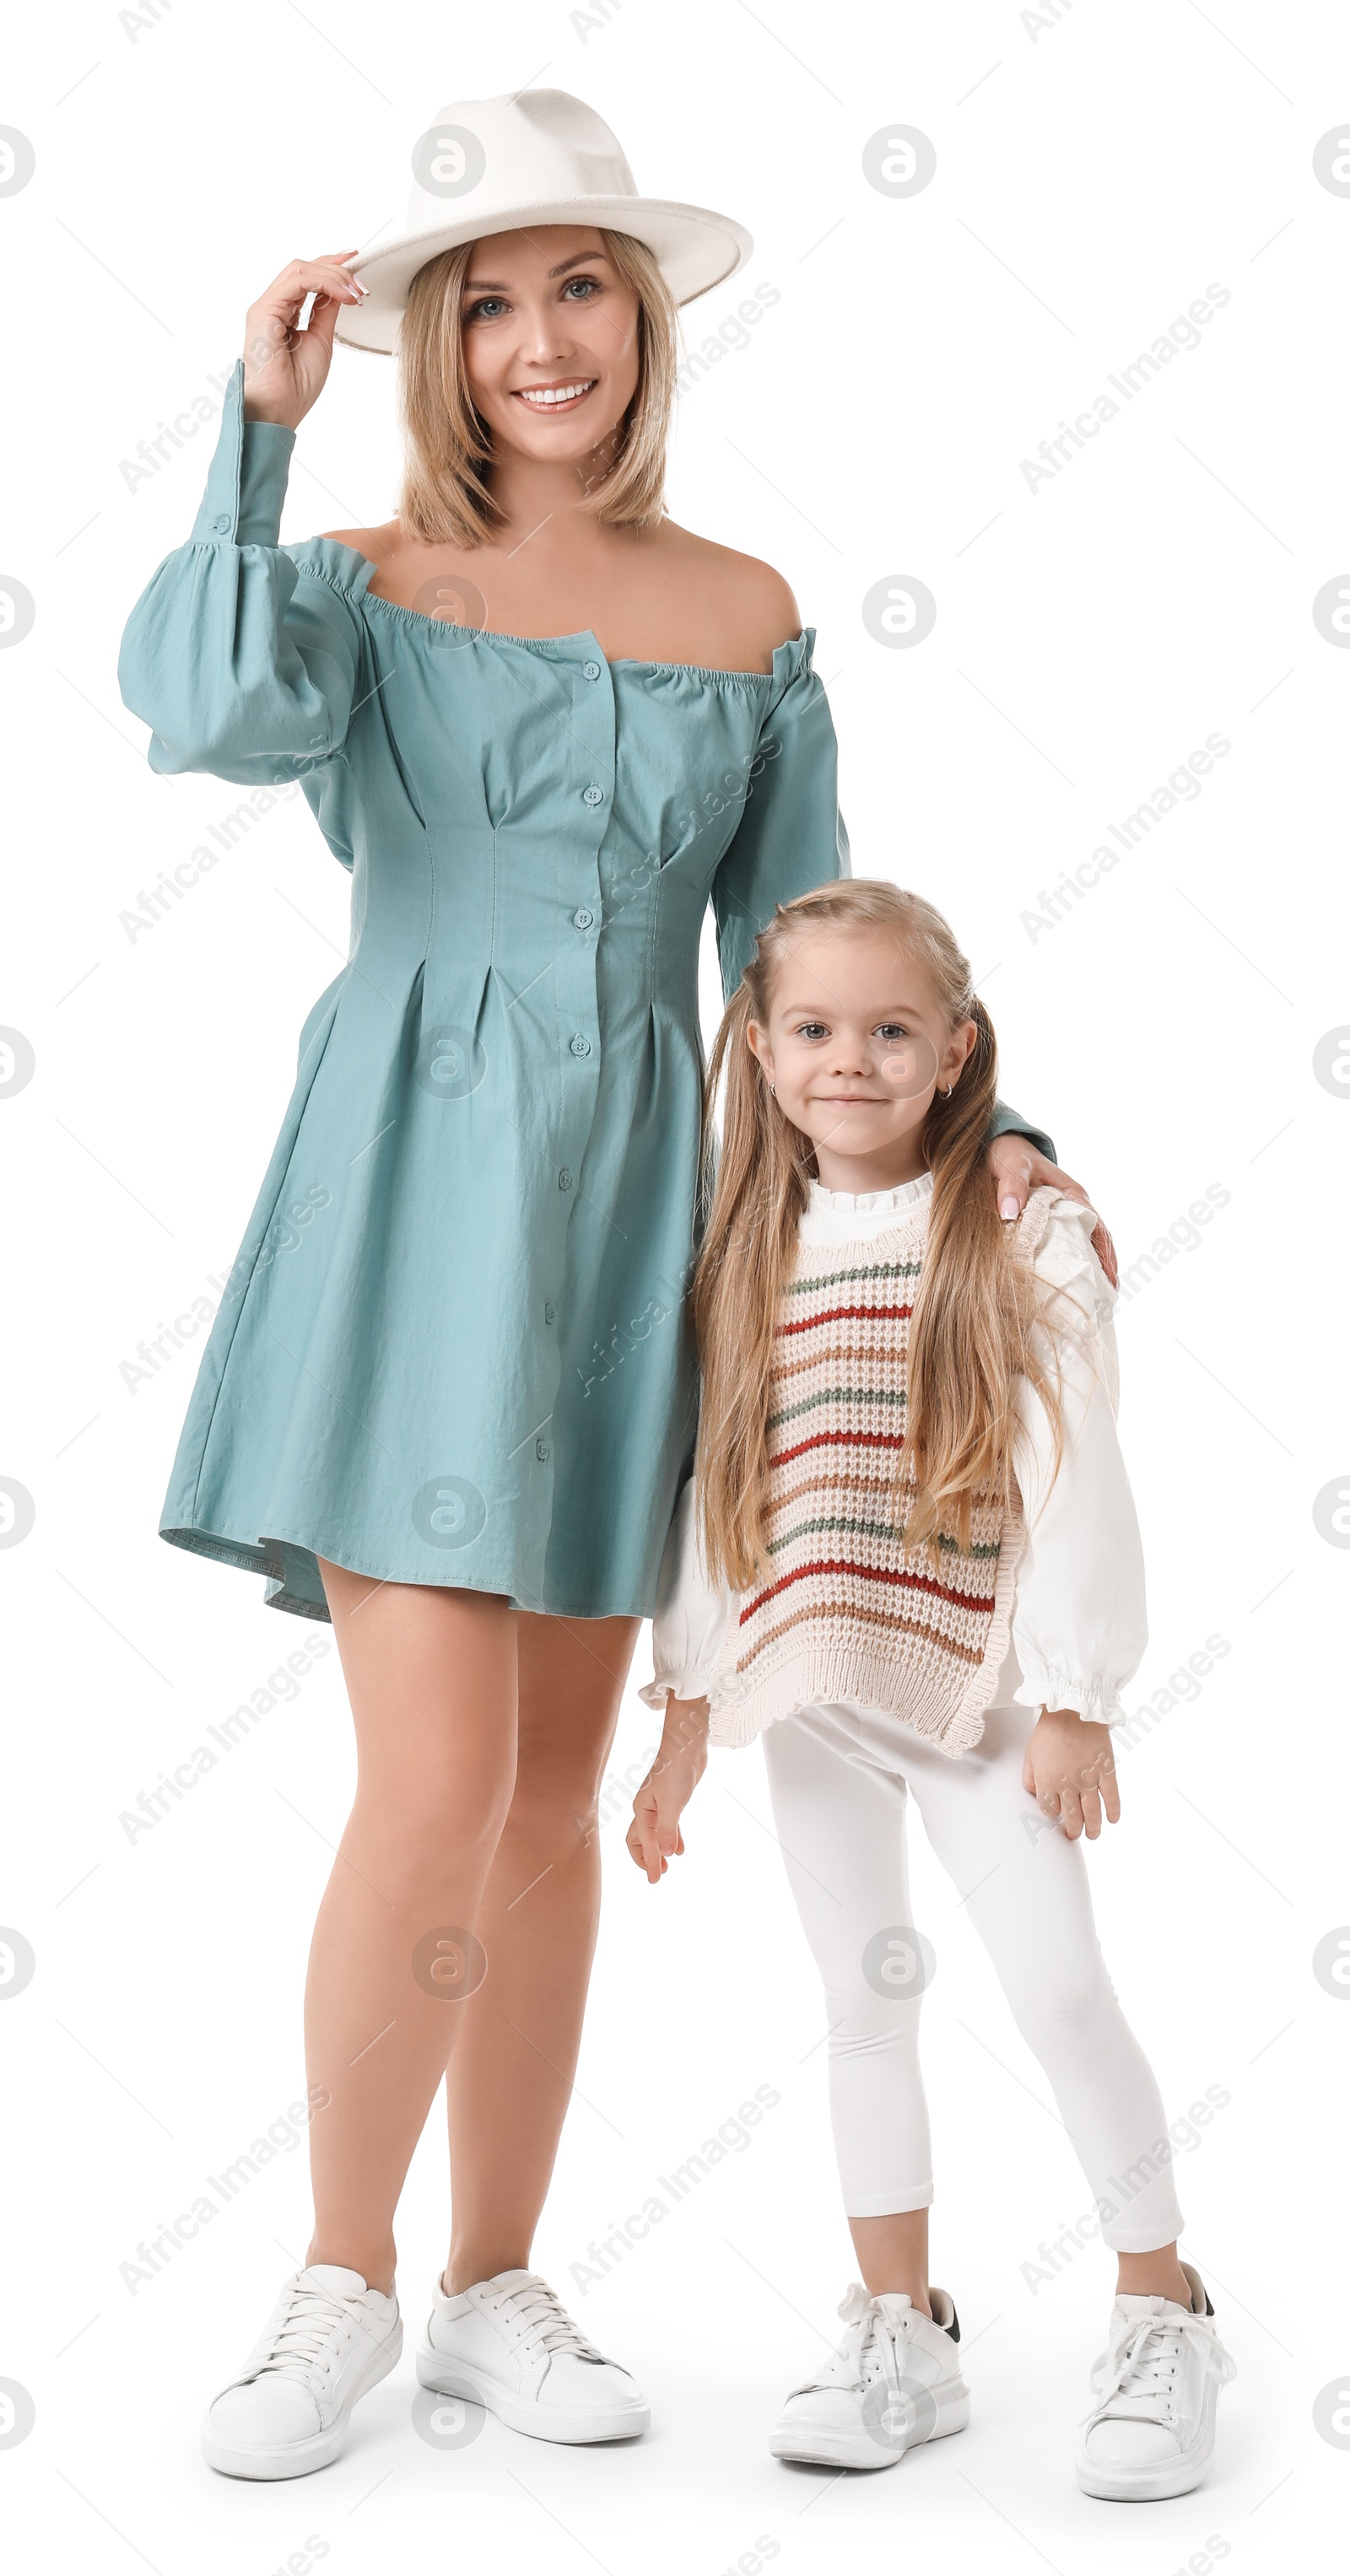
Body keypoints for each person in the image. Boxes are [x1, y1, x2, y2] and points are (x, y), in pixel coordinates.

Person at [118, 89, 1091, 2479]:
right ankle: (334, 2272)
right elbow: (206, 708)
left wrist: (984, 1153)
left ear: (638, 323)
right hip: (413, 1187)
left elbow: (798, 966)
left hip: (648, 1211)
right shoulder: (349, 581)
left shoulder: (748, 610)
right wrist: (249, 442)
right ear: (424, 346)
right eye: (484, 300)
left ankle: (488, 2284)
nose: (538, 338)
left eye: (577, 288)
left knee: (555, 1793)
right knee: (432, 1774)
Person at [628, 878, 1234, 2501]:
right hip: (814, 1686)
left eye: (892, 1030)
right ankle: (901, 2322)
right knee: (863, 2002)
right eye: (815, 1030)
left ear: (959, 1053)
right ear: (757, 1050)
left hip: (980, 1695)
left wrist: (1079, 1692)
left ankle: (1160, 2298)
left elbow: (1071, 1454)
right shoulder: (744, 1241)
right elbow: (714, 1493)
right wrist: (686, 1714)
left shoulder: (1018, 1228)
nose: (851, 1059)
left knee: (1055, 1988)